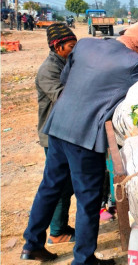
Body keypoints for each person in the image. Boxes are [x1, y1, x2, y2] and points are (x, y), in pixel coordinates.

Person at [21, 22, 138, 264]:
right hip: (85, 136)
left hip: (58, 126)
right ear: (136, 45)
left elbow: (67, 79)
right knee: (88, 199)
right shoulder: (136, 64)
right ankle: (83, 259)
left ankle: (31, 244)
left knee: (50, 186)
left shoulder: (84, 45)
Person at [35, 23, 78, 246]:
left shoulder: (67, 63)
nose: (74, 49)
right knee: (58, 185)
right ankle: (56, 232)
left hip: (66, 132)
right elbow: (63, 97)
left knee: (67, 183)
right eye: (71, 46)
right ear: (57, 46)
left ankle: (60, 226)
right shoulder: (48, 70)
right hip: (53, 135)